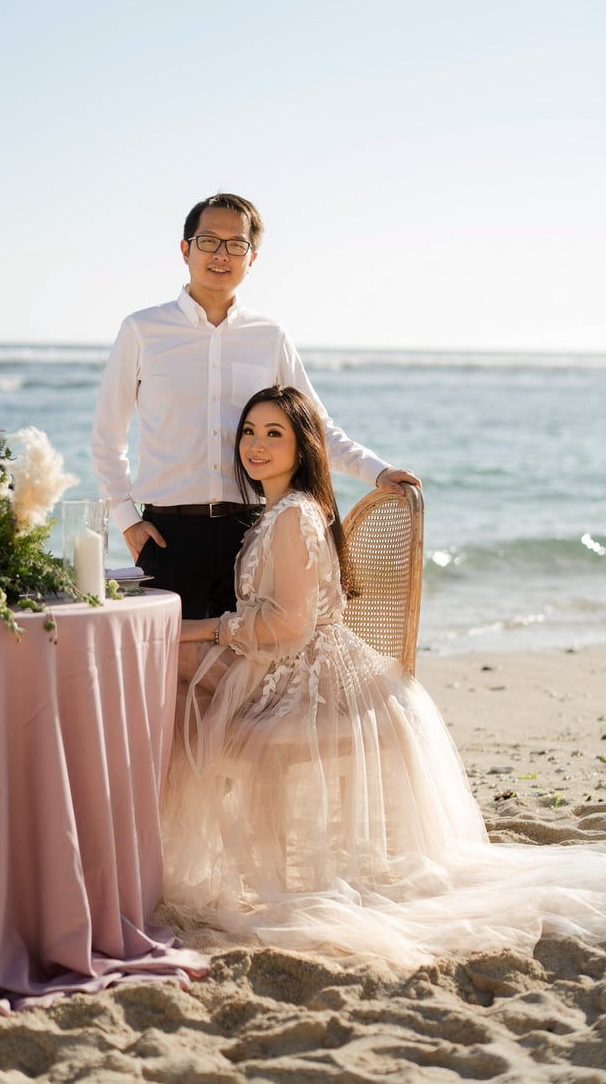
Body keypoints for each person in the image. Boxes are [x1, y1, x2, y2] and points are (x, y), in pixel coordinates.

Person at [160, 386, 606, 968]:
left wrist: (198, 628)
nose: (257, 445)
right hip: (289, 659)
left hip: (306, 672)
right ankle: (175, 858)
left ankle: (170, 862)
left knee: (172, 683)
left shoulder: (293, 514)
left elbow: (288, 624)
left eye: (276, 434)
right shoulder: (280, 511)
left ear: (304, 447)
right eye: (249, 432)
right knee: (171, 682)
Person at [91, 192, 419, 618]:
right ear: (185, 249)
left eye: (236, 244)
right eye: (209, 241)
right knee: (170, 669)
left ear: (252, 258)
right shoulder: (141, 330)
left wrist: (377, 471)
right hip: (168, 536)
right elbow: (107, 435)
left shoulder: (270, 336)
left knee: (244, 673)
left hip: (253, 533)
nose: (221, 254)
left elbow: (313, 428)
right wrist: (128, 520)